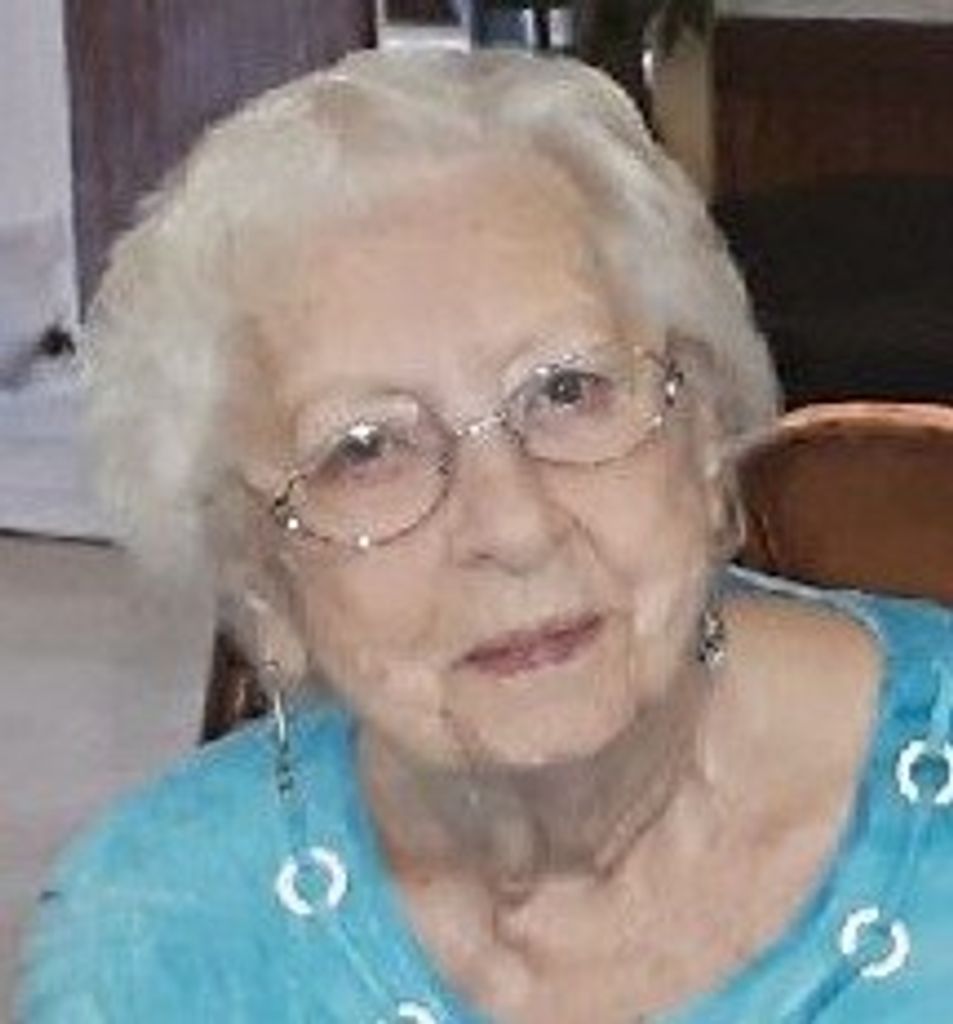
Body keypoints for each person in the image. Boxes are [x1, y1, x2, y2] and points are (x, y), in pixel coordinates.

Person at [16, 49, 953, 1024]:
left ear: (705, 445)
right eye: (366, 449)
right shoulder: (159, 939)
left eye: (567, 391)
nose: (513, 526)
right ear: (262, 587)